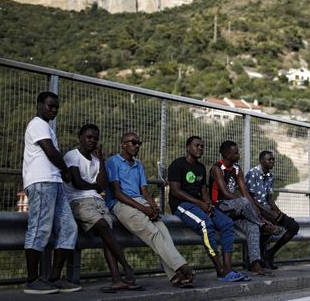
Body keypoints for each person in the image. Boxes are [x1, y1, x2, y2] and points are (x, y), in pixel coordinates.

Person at [105, 132, 194, 288]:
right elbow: (118, 193)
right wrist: (144, 210)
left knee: (164, 232)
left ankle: (175, 277)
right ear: (123, 144)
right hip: (121, 204)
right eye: (133, 142)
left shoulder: (138, 165)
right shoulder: (113, 162)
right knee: (152, 233)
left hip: (140, 202)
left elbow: (144, 192)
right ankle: (181, 266)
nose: (137, 146)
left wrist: (153, 207)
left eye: (139, 143)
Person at [63, 124, 140, 292]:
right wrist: (93, 185)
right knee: (104, 227)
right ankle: (127, 267)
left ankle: (116, 279)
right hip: (79, 201)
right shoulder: (72, 156)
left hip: (98, 201)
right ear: (80, 137)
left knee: (107, 238)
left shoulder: (97, 161)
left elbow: (102, 186)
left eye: (95, 138)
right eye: (89, 137)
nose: (92, 141)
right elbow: (77, 183)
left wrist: (102, 161)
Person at [22, 91, 81, 294]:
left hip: (54, 183)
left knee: (69, 228)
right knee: (40, 228)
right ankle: (32, 280)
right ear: (39, 105)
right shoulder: (37, 123)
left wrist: (61, 174)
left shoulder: (46, 126)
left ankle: (54, 278)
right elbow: (50, 151)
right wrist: (65, 170)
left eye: (56, 107)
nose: (54, 109)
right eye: (50, 106)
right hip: (41, 182)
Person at [168, 135, 248, 282]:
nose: (200, 148)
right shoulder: (177, 164)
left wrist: (208, 204)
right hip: (181, 205)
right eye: (196, 145)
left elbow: (204, 190)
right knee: (206, 224)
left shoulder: (200, 168)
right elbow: (175, 191)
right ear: (188, 147)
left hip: (199, 204)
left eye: (202, 146)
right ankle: (220, 271)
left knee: (227, 223)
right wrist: (200, 204)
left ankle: (228, 269)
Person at [208, 140, 279, 276]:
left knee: (253, 227)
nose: (239, 153)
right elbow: (226, 193)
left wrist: (258, 215)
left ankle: (255, 264)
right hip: (220, 207)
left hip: (235, 210)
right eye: (236, 152)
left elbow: (245, 192)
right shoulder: (217, 168)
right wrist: (254, 212)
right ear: (227, 154)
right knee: (244, 202)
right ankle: (263, 225)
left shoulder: (237, 169)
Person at [245, 151, 299, 269]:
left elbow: (269, 199)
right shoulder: (252, 173)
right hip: (256, 210)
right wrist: (269, 212)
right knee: (268, 226)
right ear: (261, 161)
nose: (272, 162)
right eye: (269, 159)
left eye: (273, 159)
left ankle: (270, 253)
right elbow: (250, 199)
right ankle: (256, 259)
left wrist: (279, 213)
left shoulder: (270, 176)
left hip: (267, 209)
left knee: (293, 226)